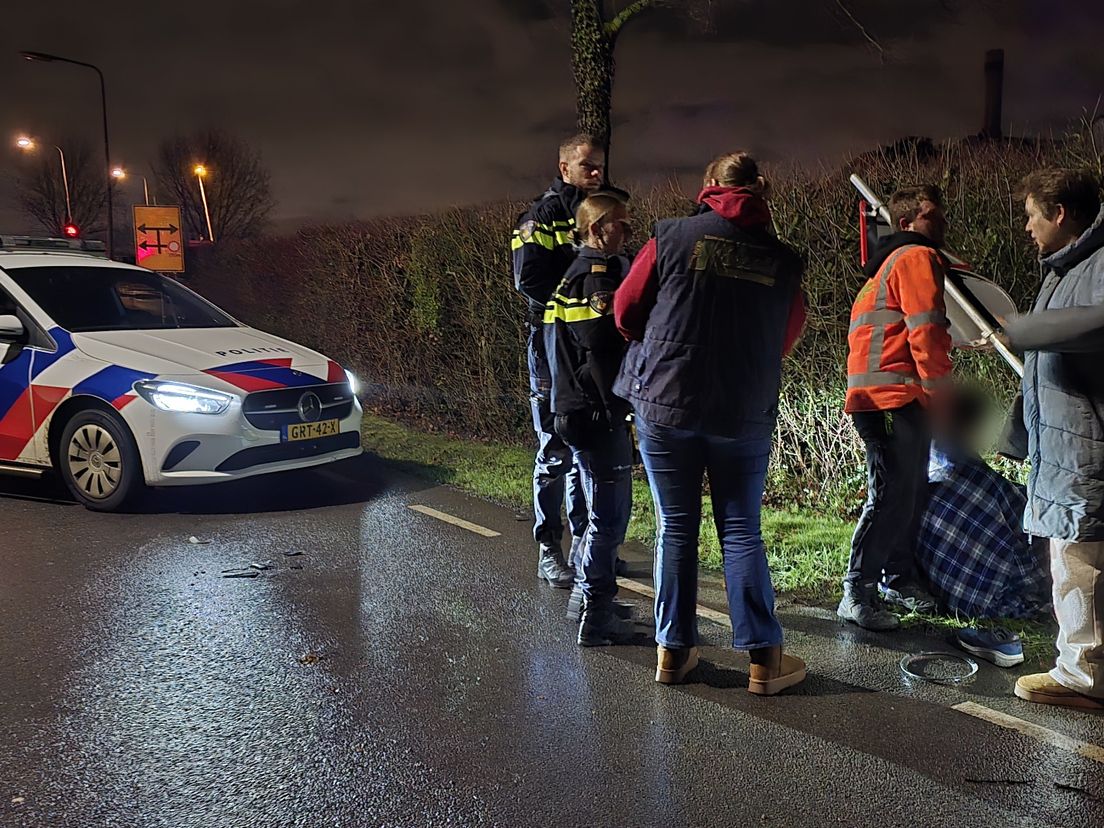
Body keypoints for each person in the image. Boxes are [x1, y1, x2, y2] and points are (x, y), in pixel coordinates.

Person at [613, 151, 807, 693]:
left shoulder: (672, 236)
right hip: (741, 408)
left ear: (708, 187)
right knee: (741, 527)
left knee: (676, 524)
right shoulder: (783, 259)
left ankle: (673, 653)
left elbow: (626, 310)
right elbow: (787, 336)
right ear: (761, 190)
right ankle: (764, 662)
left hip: (667, 403)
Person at [1000, 168, 1104, 710]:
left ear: (1060, 214)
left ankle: (1083, 676)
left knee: (1078, 558)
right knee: (1075, 552)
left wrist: (1017, 329)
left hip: (1087, 445)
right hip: (1066, 443)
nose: (1025, 227)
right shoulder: (1064, 270)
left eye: (1030, 215)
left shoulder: (1097, 263)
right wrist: (1019, 432)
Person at [837, 184, 953, 631]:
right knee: (892, 496)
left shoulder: (886, 266)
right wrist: (941, 397)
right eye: (929, 214)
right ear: (906, 223)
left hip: (885, 397)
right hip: (892, 398)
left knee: (903, 493)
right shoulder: (916, 258)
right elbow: (926, 332)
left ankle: (896, 579)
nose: (939, 220)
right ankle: (858, 590)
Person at [512, 134, 604, 588]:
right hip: (551, 343)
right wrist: (573, 300)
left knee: (583, 442)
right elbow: (528, 278)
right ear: (564, 167)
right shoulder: (542, 216)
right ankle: (550, 548)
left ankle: (587, 545)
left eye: (599, 166)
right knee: (553, 449)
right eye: (587, 165)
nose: (596, 172)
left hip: (586, 344)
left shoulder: (600, 213)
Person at [545, 193, 635, 645]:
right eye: (621, 225)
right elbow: (599, 346)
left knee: (597, 511)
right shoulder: (592, 279)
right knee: (610, 516)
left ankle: (586, 600)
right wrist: (621, 403)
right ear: (598, 228)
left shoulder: (571, 276)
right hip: (594, 414)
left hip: (575, 411)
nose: (627, 232)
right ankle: (596, 618)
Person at [914, 389, 1050, 620]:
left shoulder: (919, 474)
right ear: (971, 426)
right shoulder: (980, 479)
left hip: (947, 593)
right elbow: (1031, 520)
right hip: (988, 597)